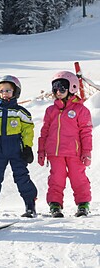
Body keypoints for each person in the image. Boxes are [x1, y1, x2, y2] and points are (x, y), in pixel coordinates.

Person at [38, 71, 92, 217]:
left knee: (78, 178)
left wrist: (87, 152)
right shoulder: (50, 110)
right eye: (55, 88)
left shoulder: (81, 110)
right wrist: (41, 151)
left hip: (75, 153)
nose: (58, 92)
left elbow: (86, 133)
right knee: (56, 179)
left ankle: (83, 204)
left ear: (72, 87)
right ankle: (55, 205)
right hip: (55, 153)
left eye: (62, 88)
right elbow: (44, 132)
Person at [0, 76, 37, 218]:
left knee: (21, 176)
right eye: (1, 91)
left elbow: (28, 130)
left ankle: (30, 205)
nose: (4, 93)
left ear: (15, 92)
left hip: (16, 149)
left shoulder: (20, 112)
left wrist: (27, 147)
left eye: (8, 90)